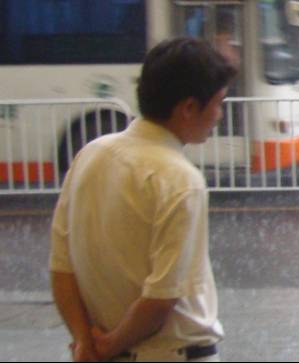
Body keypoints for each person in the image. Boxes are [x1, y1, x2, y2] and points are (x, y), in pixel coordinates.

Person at [50, 38, 237, 362]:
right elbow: (161, 299)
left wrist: (85, 342)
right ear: (189, 108)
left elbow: (62, 269)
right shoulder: (180, 180)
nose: (219, 115)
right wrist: (109, 345)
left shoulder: (90, 155)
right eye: (218, 102)